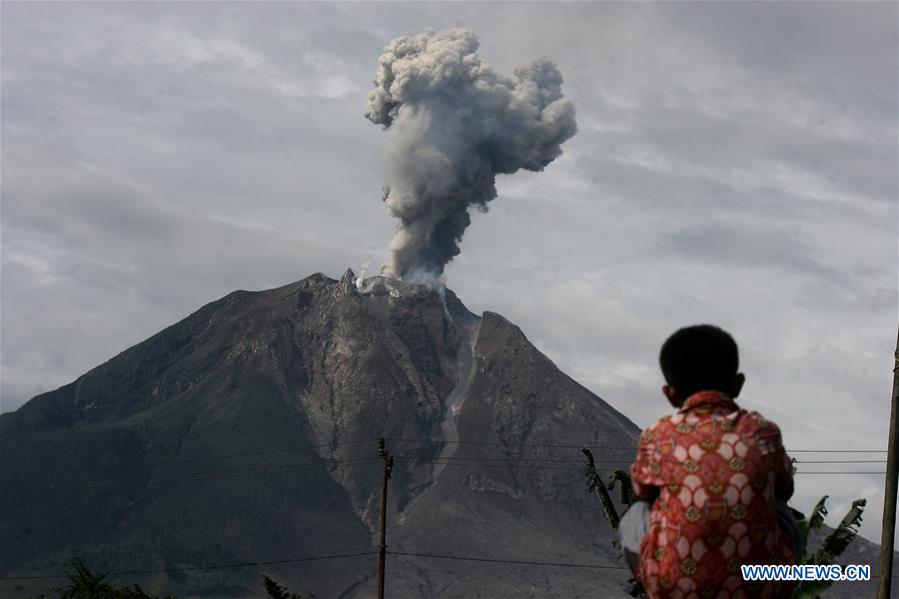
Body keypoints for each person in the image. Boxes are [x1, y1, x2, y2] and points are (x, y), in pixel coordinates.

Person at [621, 324, 798, 598]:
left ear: (670, 394)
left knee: (637, 514)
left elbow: (641, 492)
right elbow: (786, 487)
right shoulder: (763, 432)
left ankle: (655, 581)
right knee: (780, 508)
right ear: (738, 384)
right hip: (760, 586)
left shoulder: (658, 435)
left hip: (675, 588)